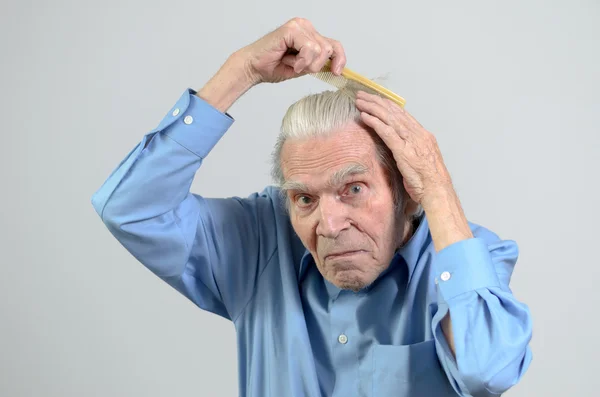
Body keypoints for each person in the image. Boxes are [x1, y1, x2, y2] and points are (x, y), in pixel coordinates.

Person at [91, 17, 532, 397]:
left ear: (405, 187)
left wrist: (437, 186)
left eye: (353, 189)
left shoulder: (465, 257)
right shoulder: (261, 242)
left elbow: (488, 370)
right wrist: (241, 70)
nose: (329, 224)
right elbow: (131, 208)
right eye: (304, 198)